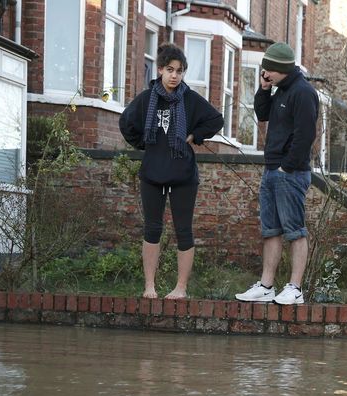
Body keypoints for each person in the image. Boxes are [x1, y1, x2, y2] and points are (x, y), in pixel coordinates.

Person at [119, 43, 224, 299]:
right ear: (160, 70)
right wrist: (145, 144)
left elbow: (216, 120)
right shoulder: (146, 99)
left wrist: (195, 135)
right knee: (152, 229)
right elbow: (126, 123)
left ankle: (180, 288)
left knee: (183, 230)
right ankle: (150, 286)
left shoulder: (190, 99)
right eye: (169, 70)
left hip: (183, 174)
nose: (174, 76)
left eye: (179, 71)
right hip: (152, 173)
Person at [235, 42, 319, 305]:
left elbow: (306, 135)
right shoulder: (280, 90)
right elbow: (262, 114)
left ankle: (295, 288)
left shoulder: (303, 92)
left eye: (269, 70)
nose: (266, 73)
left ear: (282, 68)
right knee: (270, 230)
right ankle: (266, 286)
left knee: (295, 230)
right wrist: (264, 89)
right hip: (271, 170)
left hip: (290, 173)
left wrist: (287, 166)